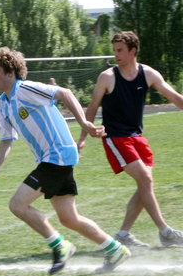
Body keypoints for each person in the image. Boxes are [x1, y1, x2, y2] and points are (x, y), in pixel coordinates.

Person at [0, 47, 130, 274]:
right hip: (53, 158)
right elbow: (6, 139)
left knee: (17, 204)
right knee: (69, 218)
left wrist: (84, 124)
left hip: (58, 155)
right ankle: (115, 249)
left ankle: (59, 245)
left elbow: (65, 93)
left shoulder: (26, 88)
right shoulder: (2, 104)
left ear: (10, 73)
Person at [78, 31, 183, 249]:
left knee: (145, 184)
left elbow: (174, 98)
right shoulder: (107, 77)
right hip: (115, 138)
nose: (115, 55)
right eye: (114, 50)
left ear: (133, 51)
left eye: (120, 50)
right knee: (145, 180)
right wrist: (83, 138)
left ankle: (123, 234)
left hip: (137, 137)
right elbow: (92, 109)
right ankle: (165, 231)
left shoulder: (148, 74)